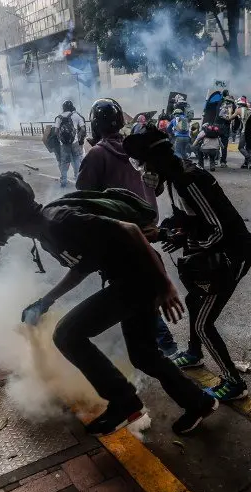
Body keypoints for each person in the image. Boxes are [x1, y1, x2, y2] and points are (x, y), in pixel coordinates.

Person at [0, 171, 219, 436]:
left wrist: (166, 285)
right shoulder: (46, 231)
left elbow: (130, 230)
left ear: (10, 213)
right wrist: (46, 301)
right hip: (132, 280)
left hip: (137, 280)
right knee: (144, 355)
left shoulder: (59, 222)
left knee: (68, 334)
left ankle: (125, 402)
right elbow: (84, 265)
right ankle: (199, 403)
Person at [124, 128, 251, 401]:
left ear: (156, 159)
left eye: (144, 163)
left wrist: (169, 236)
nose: (144, 171)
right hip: (215, 252)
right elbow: (189, 218)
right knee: (195, 302)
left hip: (233, 255)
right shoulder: (174, 177)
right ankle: (194, 354)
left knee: (203, 324)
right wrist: (170, 228)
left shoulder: (188, 180)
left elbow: (217, 230)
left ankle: (235, 382)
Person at [76, 97, 178, 359]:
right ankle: (151, 341)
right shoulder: (134, 148)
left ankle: (164, 345)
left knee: (130, 285)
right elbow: (156, 187)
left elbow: (83, 196)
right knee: (139, 280)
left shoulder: (98, 154)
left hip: (122, 230)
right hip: (147, 223)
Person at [54, 100, 86, 188]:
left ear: (63, 108)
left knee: (64, 162)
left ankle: (63, 181)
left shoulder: (59, 117)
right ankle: (78, 179)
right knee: (76, 160)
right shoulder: (76, 116)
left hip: (64, 144)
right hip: (75, 142)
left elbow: (56, 131)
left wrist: (60, 138)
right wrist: (78, 136)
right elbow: (83, 129)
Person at [230, 97, 251, 169]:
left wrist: (230, 110)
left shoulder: (239, 110)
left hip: (245, 131)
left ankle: (250, 159)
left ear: (239, 104)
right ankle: (246, 164)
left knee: (240, 147)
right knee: (248, 147)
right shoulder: (250, 110)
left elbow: (230, 118)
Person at [216, 89, 235, 167]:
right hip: (226, 126)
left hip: (217, 125)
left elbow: (216, 113)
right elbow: (234, 115)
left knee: (215, 142)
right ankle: (223, 162)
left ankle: (213, 160)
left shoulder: (219, 102)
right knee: (224, 145)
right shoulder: (232, 104)